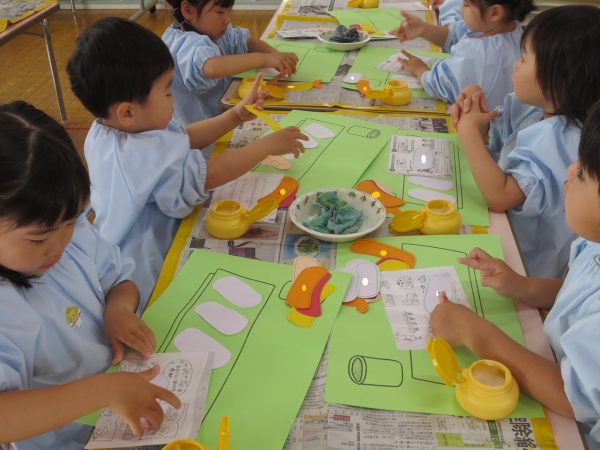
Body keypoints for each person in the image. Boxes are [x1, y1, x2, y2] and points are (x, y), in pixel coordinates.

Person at [66, 18, 306, 311]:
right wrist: (265, 146)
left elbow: (182, 139)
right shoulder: (139, 154)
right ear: (127, 112)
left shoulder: (109, 128)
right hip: (144, 267)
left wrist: (235, 115)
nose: (173, 99)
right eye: (168, 92)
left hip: (149, 242)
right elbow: (209, 175)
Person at [0, 101, 181, 450]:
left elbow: (120, 280)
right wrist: (102, 392)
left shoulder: (70, 234)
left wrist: (118, 310)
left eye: (71, 221)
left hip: (121, 402)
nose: (59, 245)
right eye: (38, 239)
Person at [430, 100, 600, 450]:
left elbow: (571, 395)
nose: (570, 169)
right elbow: (573, 291)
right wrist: (520, 285)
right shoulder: (592, 243)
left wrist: (477, 334)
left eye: (584, 173)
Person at [454, 5, 600, 277]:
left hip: (523, 265)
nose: (515, 64)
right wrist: (474, 99)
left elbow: (500, 196)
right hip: (503, 235)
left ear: (559, 81)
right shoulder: (534, 109)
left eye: (524, 58)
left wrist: (468, 132)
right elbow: (496, 149)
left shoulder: (562, 140)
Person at [163, 0, 298, 125]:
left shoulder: (213, 31)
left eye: (229, 11)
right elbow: (212, 67)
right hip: (198, 132)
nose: (227, 19)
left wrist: (277, 57)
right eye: (219, 12)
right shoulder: (185, 42)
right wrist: (264, 59)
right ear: (188, 10)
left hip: (223, 117)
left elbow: (246, 42)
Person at [395, 0, 534, 110]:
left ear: (495, 12)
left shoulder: (477, 53)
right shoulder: (516, 33)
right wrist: (423, 29)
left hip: (486, 131)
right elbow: (454, 36)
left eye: (466, 5)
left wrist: (420, 70)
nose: (461, 9)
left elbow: (441, 84)